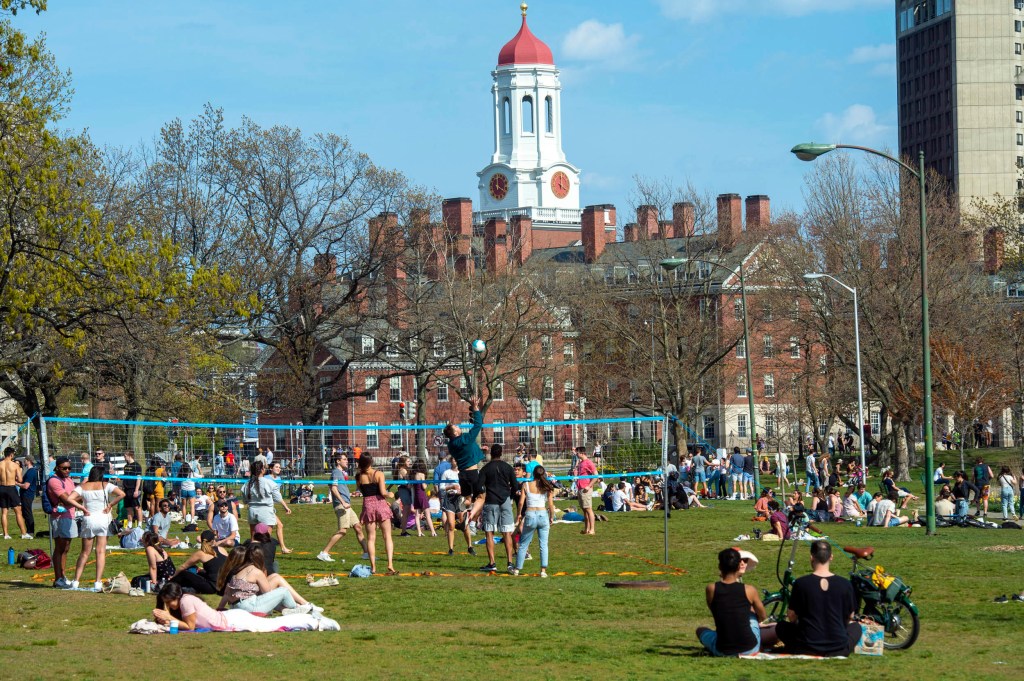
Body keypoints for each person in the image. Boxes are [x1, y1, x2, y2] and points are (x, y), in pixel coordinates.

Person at [772, 541, 862, 656]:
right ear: (831, 557)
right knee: (856, 627)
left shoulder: (801, 583)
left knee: (781, 626)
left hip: (806, 646)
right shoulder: (845, 584)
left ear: (811, 557)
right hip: (838, 647)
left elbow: (792, 617)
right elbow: (850, 616)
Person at [154, 582, 338, 633]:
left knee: (273, 625)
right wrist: (166, 616)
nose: (168, 605)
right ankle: (314, 620)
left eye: (168, 601)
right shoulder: (184, 600)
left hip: (234, 619)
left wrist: (169, 618)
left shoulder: (186, 601)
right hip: (231, 618)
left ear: (174, 597)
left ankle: (316, 621)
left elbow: (190, 627)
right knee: (273, 624)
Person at [696, 548, 768, 656]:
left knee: (700, 630)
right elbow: (762, 616)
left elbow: (715, 611)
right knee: (752, 614)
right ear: (739, 566)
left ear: (720, 567)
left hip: (722, 650)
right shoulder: (749, 590)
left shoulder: (711, 589)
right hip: (750, 649)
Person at [66, 466, 125, 591]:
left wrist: (82, 508)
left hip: (89, 519)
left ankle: (76, 581)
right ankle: (97, 582)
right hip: (103, 519)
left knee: (84, 552)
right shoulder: (106, 485)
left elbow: (69, 499)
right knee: (100, 551)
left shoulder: (83, 487)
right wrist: (110, 505)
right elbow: (122, 494)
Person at [45, 457, 89, 587]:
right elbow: (67, 500)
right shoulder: (54, 481)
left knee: (66, 548)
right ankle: (58, 578)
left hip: (70, 516)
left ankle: (62, 577)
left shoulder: (68, 479)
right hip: (60, 517)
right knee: (60, 547)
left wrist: (76, 497)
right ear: (57, 468)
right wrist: (75, 498)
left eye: (69, 468)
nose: (68, 470)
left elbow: (76, 498)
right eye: (64, 468)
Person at [317, 453, 369, 562]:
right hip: (342, 505)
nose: (347, 461)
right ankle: (324, 553)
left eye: (347, 459)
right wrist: (343, 502)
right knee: (343, 531)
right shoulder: (336, 472)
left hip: (347, 505)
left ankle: (366, 553)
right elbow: (333, 488)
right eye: (344, 459)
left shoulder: (340, 473)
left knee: (358, 527)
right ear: (338, 461)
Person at [476, 443, 519, 573]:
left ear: (491, 454)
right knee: (507, 532)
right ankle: (510, 563)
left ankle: (492, 563)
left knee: (489, 532)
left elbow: (478, 486)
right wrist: (509, 497)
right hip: (505, 501)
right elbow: (516, 486)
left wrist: (483, 495)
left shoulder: (485, 468)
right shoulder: (508, 467)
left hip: (491, 502)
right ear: (501, 453)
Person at [444, 395, 485, 521]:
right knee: (482, 497)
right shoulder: (465, 439)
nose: (459, 427)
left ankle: (465, 510)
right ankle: (471, 515)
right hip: (472, 473)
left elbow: (466, 451)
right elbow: (478, 425)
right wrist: (475, 408)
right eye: (456, 427)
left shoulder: (451, 445)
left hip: (462, 475)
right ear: (455, 433)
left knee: (468, 499)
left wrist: (478, 450)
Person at [356, 452, 397, 575]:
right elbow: (383, 492)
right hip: (380, 504)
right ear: (371, 462)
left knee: (371, 538)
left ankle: (373, 567)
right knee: (387, 536)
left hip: (368, 505)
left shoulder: (358, 476)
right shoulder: (378, 474)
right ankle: (390, 563)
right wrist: (390, 495)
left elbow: (362, 491)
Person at [512, 465, 555, 578]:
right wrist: (551, 517)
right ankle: (543, 570)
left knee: (523, 544)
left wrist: (518, 515)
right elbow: (551, 505)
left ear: (533, 474)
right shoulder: (547, 486)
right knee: (543, 544)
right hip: (542, 515)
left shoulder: (526, 484)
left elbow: (521, 503)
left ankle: (517, 569)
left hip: (530, 514)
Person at [239, 461, 287, 547]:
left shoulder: (247, 484)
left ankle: (252, 557)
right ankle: (266, 558)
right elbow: (277, 498)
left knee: (253, 539)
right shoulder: (270, 483)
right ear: (262, 470)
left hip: (252, 511)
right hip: (266, 512)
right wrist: (285, 507)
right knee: (266, 539)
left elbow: (245, 501)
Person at [169, 529, 229, 594]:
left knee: (184, 573)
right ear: (213, 541)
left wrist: (173, 576)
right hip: (224, 585)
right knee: (198, 571)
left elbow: (183, 566)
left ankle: (168, 585)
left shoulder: (201, 553)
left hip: (212, 587)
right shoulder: (222, 550)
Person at [439, 456, 472, 556]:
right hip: (450, 499)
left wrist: (465, 492)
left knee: (464, 524)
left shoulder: (463, 472)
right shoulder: (446, 473)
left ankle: (470, 547)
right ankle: (451, 549)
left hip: (460, 499)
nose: (456, 461)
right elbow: (441, 488)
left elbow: (469, 485)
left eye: (457, 459)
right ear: (451, 461)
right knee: (451, 525)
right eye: (454, 459)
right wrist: (451, 487)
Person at [0, 447, 30, 539]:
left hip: (1, 488)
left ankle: (6, 534)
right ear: (12, 454)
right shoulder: (15, 465)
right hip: (11, 488)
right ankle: (24, 533)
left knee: (4, 512)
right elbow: (20, 479)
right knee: (18, 511)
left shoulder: (0, 464)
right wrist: (15, 478)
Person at [265, 461, 294, 553]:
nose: (279, 469)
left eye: (279, 467)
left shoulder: (279, 479)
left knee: (274, 526)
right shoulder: (266, 478)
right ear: (271, 468)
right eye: (276, 467)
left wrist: (286, 507)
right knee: (273, 527)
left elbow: (278, 496)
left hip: (270, 507)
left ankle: (281, 548)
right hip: (264, 506)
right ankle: (268, 548)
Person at [575, 446, 597, 536]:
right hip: (580, 488)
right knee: (584, 510)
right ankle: (586, 529)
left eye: (577, 453)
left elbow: (596, 475)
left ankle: (592, 529)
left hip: (586, 489)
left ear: (582, 453)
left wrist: (589, 486)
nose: (576, 454)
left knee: (589, 509)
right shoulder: (581, 463)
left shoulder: (588, 462)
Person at [120, 450, 143, 528]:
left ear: (129, 455)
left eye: (125, 455)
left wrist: (136, 490)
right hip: (127, 489)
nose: (124, 457)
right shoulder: (126, 466)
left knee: (137, 507)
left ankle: (140, 524)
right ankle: (129, 524)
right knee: (128, 508)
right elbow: (124, 478)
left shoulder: (137, 466)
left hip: (134, 489)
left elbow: (138, 479)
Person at [18, 455, 38, 537]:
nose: (24, 462)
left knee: (27, 513)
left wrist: (16, 484)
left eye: (25, 460)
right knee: (25, 513)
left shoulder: (31, 471)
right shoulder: (29, 471)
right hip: (25, 494)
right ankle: (28, 531)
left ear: (29, 461)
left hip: (27, 494)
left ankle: (30, 532)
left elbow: (26, 486)